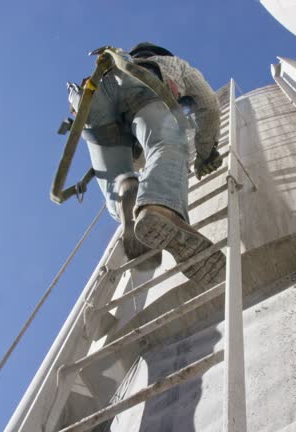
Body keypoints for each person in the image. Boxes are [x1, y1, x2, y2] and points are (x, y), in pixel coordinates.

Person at [68, 43, 224, 286]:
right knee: (166, 145)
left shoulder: (115, 62)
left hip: (93, 100)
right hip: (141, 88)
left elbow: (136, 155)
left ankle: (127, 193)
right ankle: (159, 206)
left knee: (116, 181)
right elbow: (209, 103)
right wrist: (205, 153)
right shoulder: (174, 64)